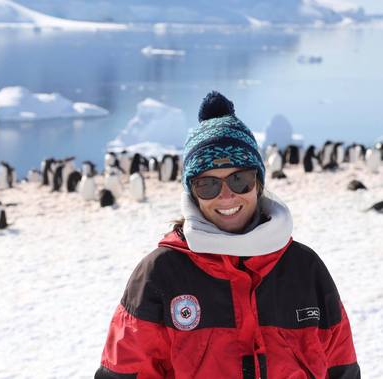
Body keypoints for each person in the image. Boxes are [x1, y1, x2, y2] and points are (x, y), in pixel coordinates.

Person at [95, 91, 360, 379]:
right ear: (193, 194)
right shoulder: (161, 273)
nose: (226, 196)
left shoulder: (304, 269)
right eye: (207, 185)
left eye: (239, 179)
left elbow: (341, 369)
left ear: (258, 183)